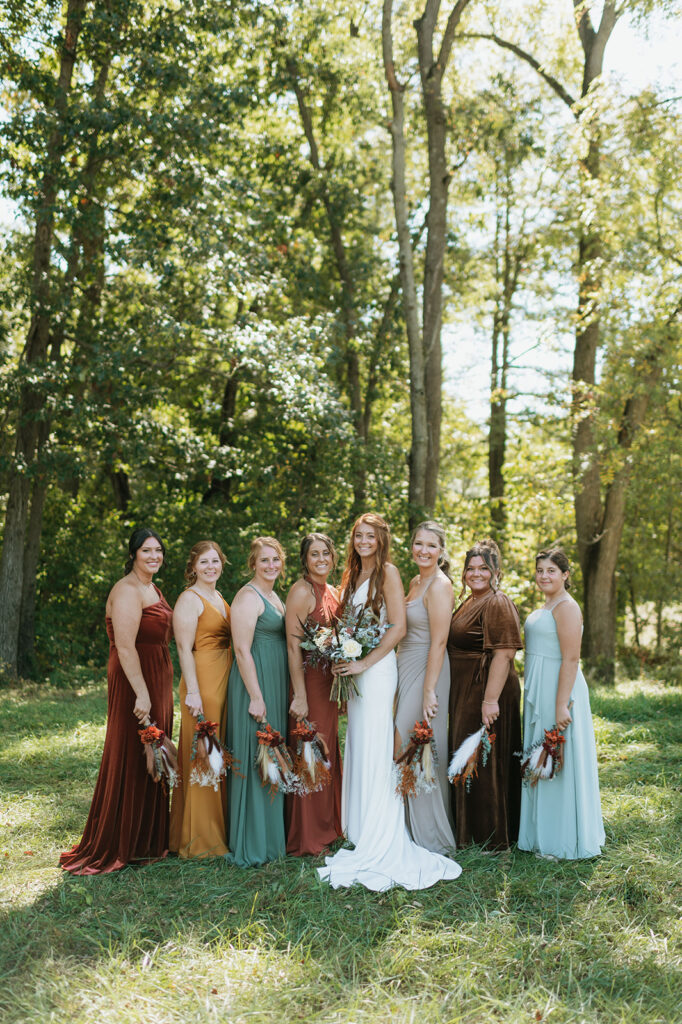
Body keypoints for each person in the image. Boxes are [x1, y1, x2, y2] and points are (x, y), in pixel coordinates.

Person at [317, 513, 462, 890]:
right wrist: (340, 653)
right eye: (358, 535)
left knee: (387, 744)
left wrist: (364, 660)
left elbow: (398, 627)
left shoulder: (390, 573)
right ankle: (360, 824)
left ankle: (384, 829)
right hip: (360, 670)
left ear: (382, 540)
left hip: (379, 671)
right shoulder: (353, 577)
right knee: (362, 742)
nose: (364, 541)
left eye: (371, 536)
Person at [60, 527, 173, 874]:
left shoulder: (151, 587)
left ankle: (146, 839)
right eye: (146, 551)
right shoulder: (126, 590)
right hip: (135, 680)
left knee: (152, 755)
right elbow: (125, 647)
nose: (153, 556)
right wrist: (141, 692)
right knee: (130, 751)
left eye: (158, 551)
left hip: (157, 677)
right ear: (133, 554)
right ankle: (120, 841)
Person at [518, 548, 605, 859]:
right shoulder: (547, 604)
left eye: (551, 570)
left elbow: (570, 658)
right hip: (540, 686)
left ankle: (561, 839)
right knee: (540, 756)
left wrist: (561, 705)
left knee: (556, 757)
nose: (544, 576)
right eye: (540, 570)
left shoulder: (566, 607)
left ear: (566, 575)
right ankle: (538, 833)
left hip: (559, 688)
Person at [447, 539, 522, 851]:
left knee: (481, 761)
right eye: (470, 569)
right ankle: (470, 833)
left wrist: (489, 700)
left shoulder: (497, 602)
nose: (475, 574)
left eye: (483, 569)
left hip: (488, 691)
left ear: (496, 572)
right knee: (469, 757)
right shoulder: (469, 601)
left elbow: (504, 655)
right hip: (468, 690)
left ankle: (488, 838)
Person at [225, 537, 288, 867]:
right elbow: (241, 650)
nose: (271, 565)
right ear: (252, 563)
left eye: (275, 559)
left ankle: (272, 840)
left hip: (274, 679)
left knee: (271, 755)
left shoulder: (274, 594)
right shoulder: (248, 597)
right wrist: (256, 696)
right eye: (264, 560)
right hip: (256, 683)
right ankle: (253, 843)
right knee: (256, 756)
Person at [395, 521, 456, 853]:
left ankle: (431, 837)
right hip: (406, 665)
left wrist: (430, 689)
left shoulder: (440, 586)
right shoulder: (416, 581)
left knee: (420, 743)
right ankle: (405, 826)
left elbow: (440, 640)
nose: (423, 550)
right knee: (403, 742)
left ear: (441, 551)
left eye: (431, 545)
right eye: (418, 543)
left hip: (428, 668)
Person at [169, 541, 231, 859]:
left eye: (215, 561)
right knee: (203, 755)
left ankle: (218, 829)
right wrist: (192, 691)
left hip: (223, 680)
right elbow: (183, 649)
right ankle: (200, 840)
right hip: (202, 683)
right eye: (204, 562)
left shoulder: (219, 597)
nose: (211, 567)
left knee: (218, 753)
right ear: (193, 567)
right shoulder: (188, 600)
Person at [285, 533, 343, 856]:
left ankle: (328, 825)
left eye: (326, 553)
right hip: (308, 682)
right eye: (314, 555)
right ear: (305, 560)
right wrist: (300, 694)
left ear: (333, 558)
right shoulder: (300, 591)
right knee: (311, 750)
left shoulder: (333, 591)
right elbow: (293, 646)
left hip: (330, 685)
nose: (321, 559)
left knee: (328, 750)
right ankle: (308, 835)